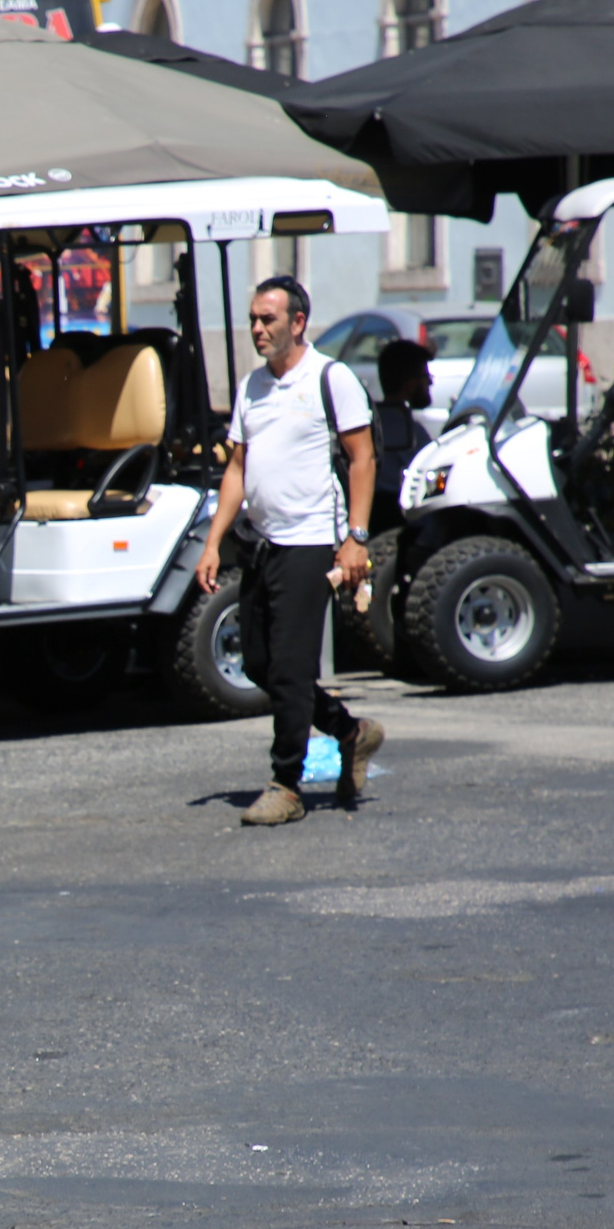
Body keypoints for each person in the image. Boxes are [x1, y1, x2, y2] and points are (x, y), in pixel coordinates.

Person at [195, 275, 387, 827]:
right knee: (258, 662)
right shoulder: (252, 386)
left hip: (310, 544)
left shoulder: (332, 378)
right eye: (253, 319)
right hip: (260, 544)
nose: (257, 328)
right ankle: (351, 731)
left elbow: (362, 460)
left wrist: (355, 539)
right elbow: (238, 467)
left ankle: (286, 784)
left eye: (268, 319)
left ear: (297, 322)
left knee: (291, 664)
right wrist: (213, 543)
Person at [369, 338, 434, 536]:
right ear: (410, 384)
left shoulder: (371, 423)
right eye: (425, 375)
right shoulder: (412, 432)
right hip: (404, 526)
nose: (430, 381)